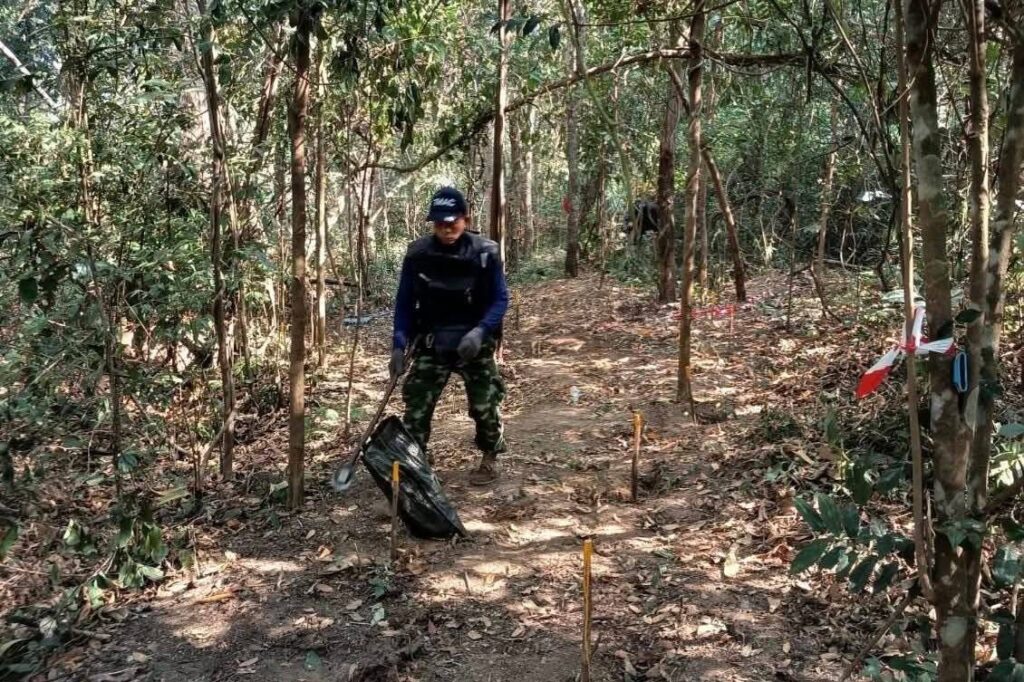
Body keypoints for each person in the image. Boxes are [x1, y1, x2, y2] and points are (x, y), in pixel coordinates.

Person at [389, 186, 509, 485]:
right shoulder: (418, 255)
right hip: (433, 340)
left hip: (475, 341)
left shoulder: (485, 252)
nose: (446, 229)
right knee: (417, 403)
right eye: (439, 223)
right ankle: (417, 461)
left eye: (452, 222)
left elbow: (500, 299)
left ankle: (490, 457)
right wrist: (398, 345)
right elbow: (404, 302)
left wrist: (480, 332)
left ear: (466, 220)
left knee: (485, 403)